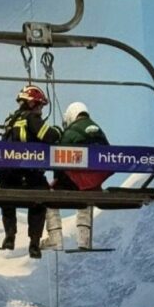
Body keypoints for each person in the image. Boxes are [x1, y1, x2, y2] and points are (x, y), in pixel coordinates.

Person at [0, 85, 61, 259]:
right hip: (30, 175)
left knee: (6, 199)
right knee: (40, 200)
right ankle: (34, 243)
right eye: (40, 105)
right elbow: (50, 136)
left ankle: (10, 235)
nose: (41, 110)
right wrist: (59, 131)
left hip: (8, 177)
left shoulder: (9, 121)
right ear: (32, 104)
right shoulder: (31, 119)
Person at [42, 102, 112, 251]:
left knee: (48, 197)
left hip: (79, 178)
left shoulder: (71, 131)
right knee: (86, 197)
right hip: (95, 180)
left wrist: (57, 178)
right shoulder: (99, 130)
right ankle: (84, 240)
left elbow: (59, 158)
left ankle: (55, 239)